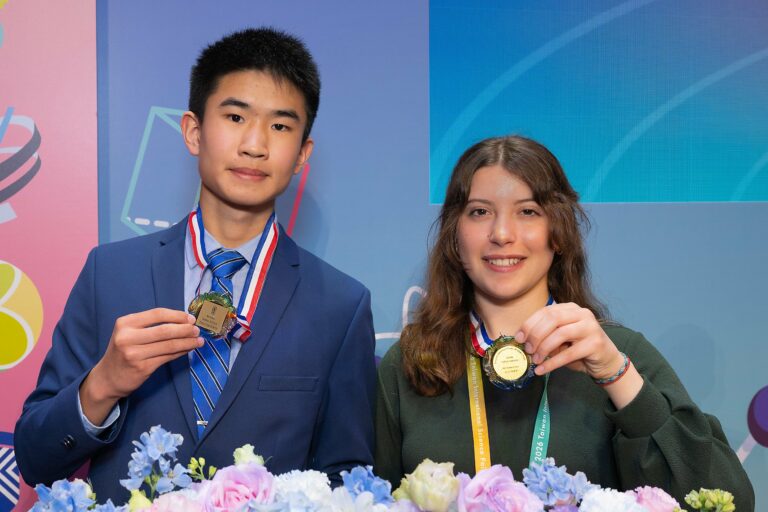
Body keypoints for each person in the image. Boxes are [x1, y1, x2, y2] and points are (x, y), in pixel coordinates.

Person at [15, 28, 376, 503]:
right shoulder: (110, 272)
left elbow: (347, 482)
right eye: (235, 116)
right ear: (193, 131)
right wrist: (102, 384)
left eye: (281, 126)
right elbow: (36, 458)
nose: (255, 144)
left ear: (302, 155)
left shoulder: (341, 306)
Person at [374, 135, 754, 509]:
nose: (502, 234)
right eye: (480, 212)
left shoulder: (618, 354)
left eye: (528, 212)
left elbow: (725, 501)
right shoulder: (411, 365)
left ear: (558, 233)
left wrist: (614, 373)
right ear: (455, 237)